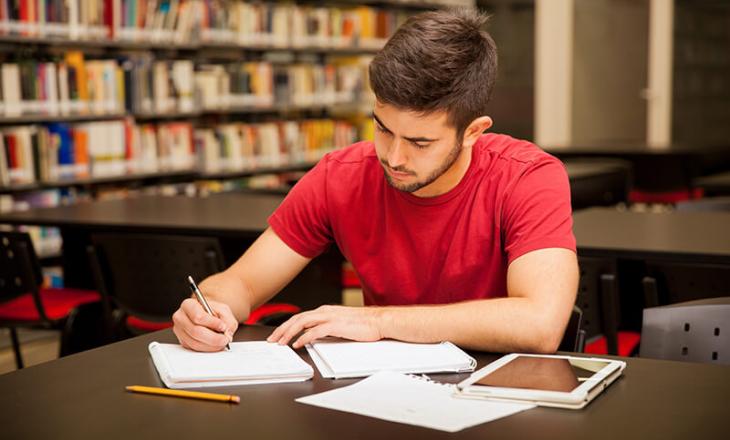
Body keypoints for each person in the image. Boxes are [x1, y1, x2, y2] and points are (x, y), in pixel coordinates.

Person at [172, 9, 579, 354]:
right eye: (383, 129)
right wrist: (209, 308)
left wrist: (379, 321)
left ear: (473, 131)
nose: (394, 158)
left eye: (420, 142)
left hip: (495, 394)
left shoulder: (527, 176)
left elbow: (540, 324)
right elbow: (242, 282)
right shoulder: (341, 175)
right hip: (380, 393)